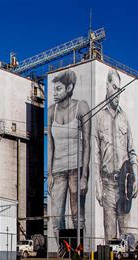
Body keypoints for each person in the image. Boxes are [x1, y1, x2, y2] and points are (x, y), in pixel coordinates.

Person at [95, 69, 138, 241]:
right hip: (107, 185)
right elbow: (95, 154)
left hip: (124, 185)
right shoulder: (98, 116)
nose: (117, 93)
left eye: (120, 90)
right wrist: (97, 185)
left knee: (127, 236)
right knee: (110, 237)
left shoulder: (124, 118)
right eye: (114, 87)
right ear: (107, 86)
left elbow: (132, 151)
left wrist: (134, 175)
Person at [48, 70, 91, 239]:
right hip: (58, 171)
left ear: (69, 87)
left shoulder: (81, 107)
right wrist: (50, 173)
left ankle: (79, 254)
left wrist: (84, 175)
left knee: (77, 216)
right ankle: (62, 254)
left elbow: (87, 142)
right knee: (56, 218)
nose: (55, 93)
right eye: (54, 89)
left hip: (76, 169)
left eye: (58, 89)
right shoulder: (51, 110)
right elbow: (50, 145)